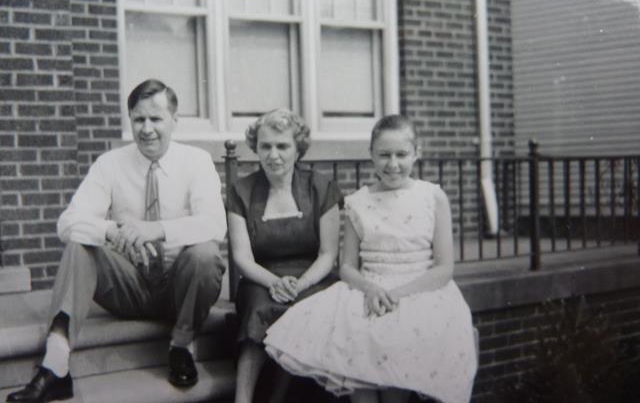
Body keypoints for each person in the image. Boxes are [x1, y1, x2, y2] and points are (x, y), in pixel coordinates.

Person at [7, 79, 227, 403]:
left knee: (206, 255)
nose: (147, 129)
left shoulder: (196, 162)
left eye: (156, 119)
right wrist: (110, 231)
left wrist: (158, 229)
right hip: (130, 284)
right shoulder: (111, 164)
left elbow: (214, 224)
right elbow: (68, 222)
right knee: (80, 246)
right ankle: (55, 365)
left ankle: (181, 346)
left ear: (174, 121)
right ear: (130, 121)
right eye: (139, 119)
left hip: (181, 287)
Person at [264, 114, 478, 403]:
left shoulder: (432, 197)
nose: (393, 164)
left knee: (394, 365)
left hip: (420, 290)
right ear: (371, 156)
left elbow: (444, 268)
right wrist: (371, 289)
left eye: (402, 154)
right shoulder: (358, 202)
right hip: (368, 289)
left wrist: (396, 294)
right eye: (384, 155)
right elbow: (348, 266)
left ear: (417, 153)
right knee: (358, 352)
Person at [226, 108, 342, 403]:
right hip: (260, 277)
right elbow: (241, 258)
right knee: (258, 310)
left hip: (313, 276)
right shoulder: (242, 191)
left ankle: (276, 398)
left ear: (297, 149)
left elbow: (328, 254)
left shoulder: (321, 187)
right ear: (256, 148)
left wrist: (299, 284)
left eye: (282, 146)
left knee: (304, 310)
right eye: (265, 146)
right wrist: (274, 283)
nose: (273, 155)